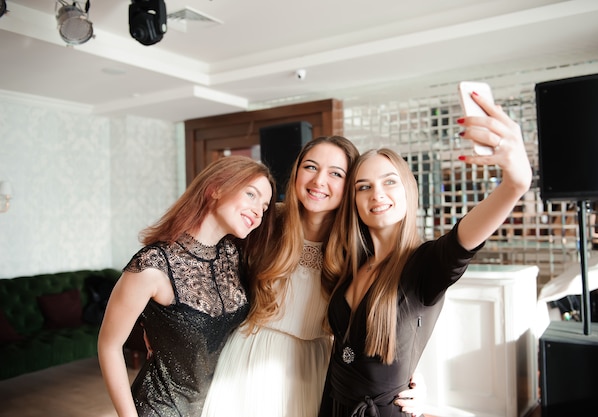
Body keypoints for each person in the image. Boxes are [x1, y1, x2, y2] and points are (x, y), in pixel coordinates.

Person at [320, 91, 533, 416]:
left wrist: (515, 182)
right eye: (363, 186)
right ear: (354, 201)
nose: (377, 194)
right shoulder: (352, 262)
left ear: (408, 191)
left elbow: (465, 237)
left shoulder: (426, 265)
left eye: (389, 182)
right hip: (332, 404)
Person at [202, 136, 424, 417]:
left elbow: (399, 315)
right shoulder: (266, 221)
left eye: (336, 173)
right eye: (310, 167)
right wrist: (163, 317)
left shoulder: (359, 248)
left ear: (351, 186)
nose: (319, 181)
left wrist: (417, 378)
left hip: (316, 369)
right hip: (249, 357)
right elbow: (204, 251)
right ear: (296, 172)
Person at [98, 155, 277, 417]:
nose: (258, 212)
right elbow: (109, 346)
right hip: (161, 409)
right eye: (251, 194)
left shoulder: (234, 255)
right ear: (215, 188)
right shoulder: (153, 265)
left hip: (218, 408)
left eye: (264, 206)